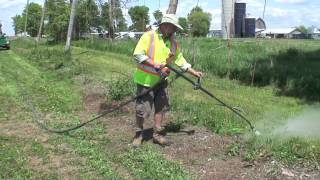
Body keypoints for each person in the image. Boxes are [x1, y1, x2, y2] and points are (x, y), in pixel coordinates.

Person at [132, 14, 203, 147]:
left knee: (161, 108)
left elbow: (180, 60)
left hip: (162, 82)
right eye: (173, 27)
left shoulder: (174, 44)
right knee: (142, 110)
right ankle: (138, 134)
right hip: (146, 81)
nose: (175, 30)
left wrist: (194, 73)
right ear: (164, 26)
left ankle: (157, 134)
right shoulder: (149, 36)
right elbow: (138, 55)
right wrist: (155, 65)